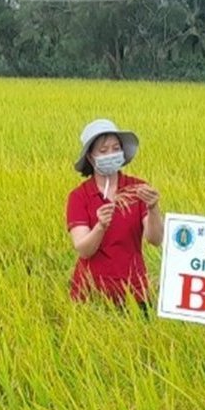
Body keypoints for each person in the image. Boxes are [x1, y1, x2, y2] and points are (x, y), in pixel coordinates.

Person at [66, 118, 164, 309]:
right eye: (103, 151)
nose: (110, 154)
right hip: (91, 293)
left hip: (134, 292)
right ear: (90, 158)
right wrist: (101, 226)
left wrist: (153, 208)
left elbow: (155, 239)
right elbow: (84, 250)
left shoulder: (137, 189)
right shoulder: (79, 196)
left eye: (115, 148)